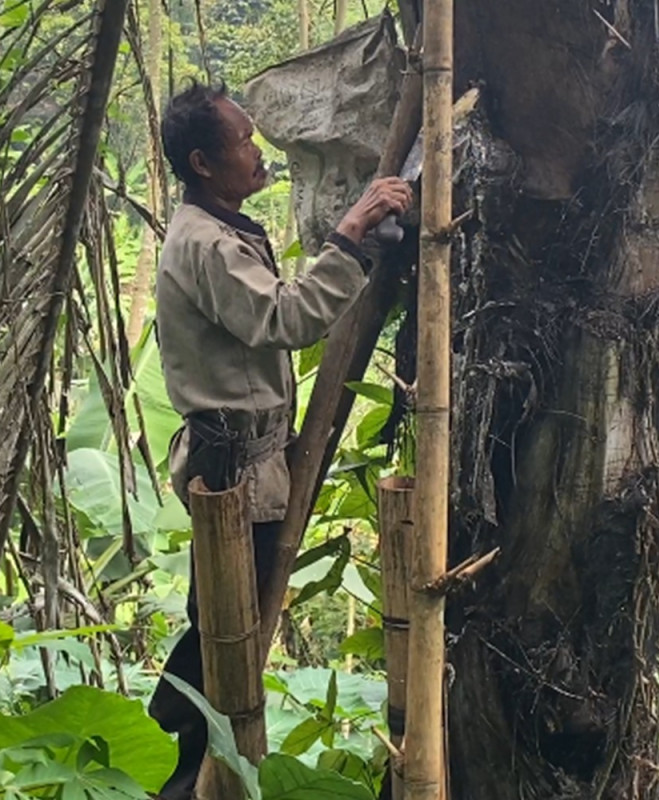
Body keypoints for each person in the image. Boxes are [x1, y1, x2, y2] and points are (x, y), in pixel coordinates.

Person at [148, 80, 412, 800]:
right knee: (226, 637)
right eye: (242, 141)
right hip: (233, 470)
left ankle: (184, 740)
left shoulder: (222, 228)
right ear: (203, 163)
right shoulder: (205, 244)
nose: (256, 149)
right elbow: (285, 320)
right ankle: (182, 765)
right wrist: (349, 235)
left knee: (226, 626)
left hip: (252, 461)